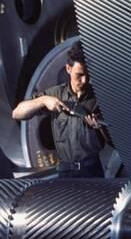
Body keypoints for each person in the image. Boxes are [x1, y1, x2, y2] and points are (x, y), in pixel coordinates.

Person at [12, 41, 110, 177]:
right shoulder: (56, 94)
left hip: (92, 171)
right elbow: (17, 113)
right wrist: (43, 100)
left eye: (88, 74)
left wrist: (100, 128)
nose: (84, 80)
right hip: (65, 173)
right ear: (68, 69)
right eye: (79, 75)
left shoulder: (100, 99)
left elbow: (117, 144)